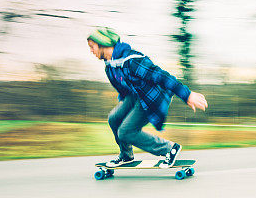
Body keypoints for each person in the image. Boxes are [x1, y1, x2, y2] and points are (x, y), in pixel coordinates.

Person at [87, 26, 208, 168]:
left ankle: (170, 149)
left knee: (126, 132)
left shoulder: (132, 61)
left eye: (92, 46)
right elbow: (124, 89)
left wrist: (186, 95)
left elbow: (162, 76)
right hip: (135, 96)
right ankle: (126, 156)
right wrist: (126, 107)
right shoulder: (110, 67)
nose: (91, 51)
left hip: (151, 99)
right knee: (114, 119)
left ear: (103, 44)